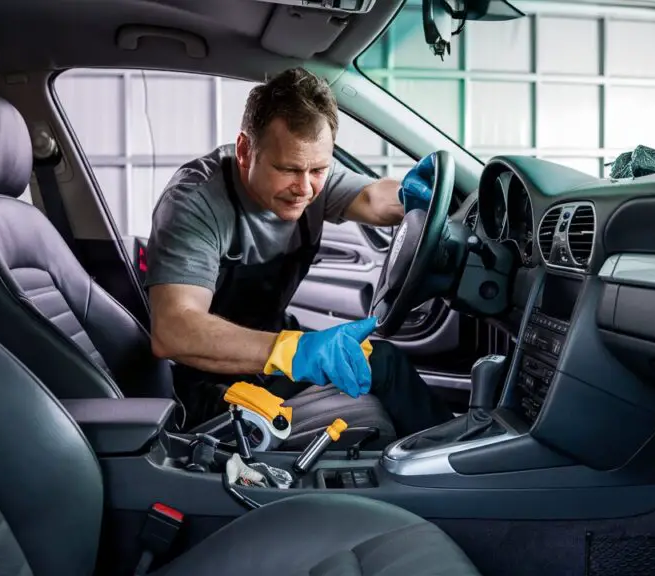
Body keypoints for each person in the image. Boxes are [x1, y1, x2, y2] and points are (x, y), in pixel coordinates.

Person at [144, 67, 454, 439]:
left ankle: (450, 466)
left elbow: (373, 198)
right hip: (206, 388)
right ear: (245, 151)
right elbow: (173, 329)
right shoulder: (195, 203)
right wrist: (294, 352)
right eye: (288, 169)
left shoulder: (308, 176)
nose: (305, 189)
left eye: (319, 169)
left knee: (382, 360)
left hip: (267, 361)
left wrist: (424, 197)